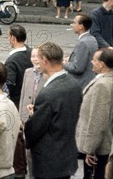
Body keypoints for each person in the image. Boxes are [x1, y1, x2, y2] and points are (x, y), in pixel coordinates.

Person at [24, 42, 83, 179]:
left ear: (45, 60)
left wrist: (33, 117)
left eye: (38, 58)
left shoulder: (48, 94)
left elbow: (34, 130)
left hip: (49, 162)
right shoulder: (74, 84)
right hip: (67, 156)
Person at [76, 48, 113, 179]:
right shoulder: (105, 79)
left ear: (102, 64)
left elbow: (98, 120)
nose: (92, 62)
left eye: (95, 60)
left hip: (99, 149)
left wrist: (90, 150)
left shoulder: (102, 85)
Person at [18, 47, 45, 178]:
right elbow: (23, 94)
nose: (35, 59)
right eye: (33, 56)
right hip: (26, 116)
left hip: (39, 115)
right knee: (27, 148)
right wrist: (21, 116)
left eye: (38, 56)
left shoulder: (47, 74)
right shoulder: (28, 72)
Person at [64, 13, 98, 90]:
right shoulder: (92, 39)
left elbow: (77, 68)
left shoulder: (83, 42)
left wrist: (64, 63)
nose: (72, 25)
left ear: (81, 26)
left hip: (81, 84)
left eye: (74, 23)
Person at [4, 25, 33, 108]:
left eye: (8, 36)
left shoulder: (12, 60)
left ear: (13, 38)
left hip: (16, 100)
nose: (8, 39)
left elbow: (9, 84)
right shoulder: (31, 52)